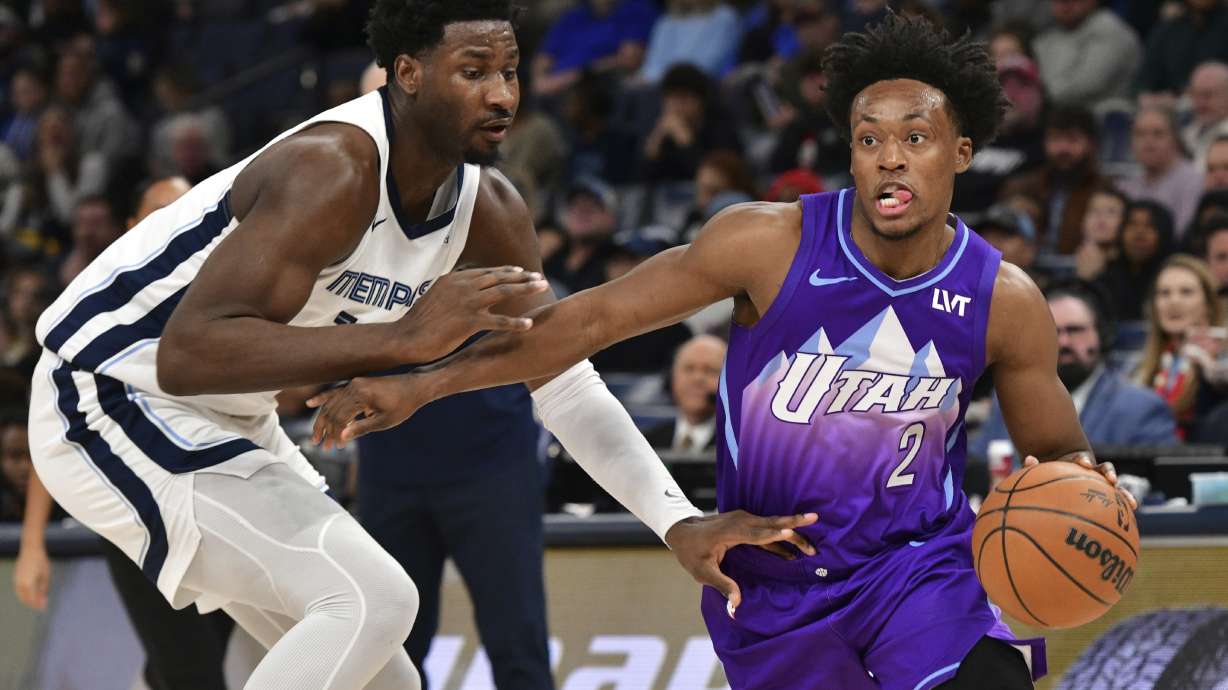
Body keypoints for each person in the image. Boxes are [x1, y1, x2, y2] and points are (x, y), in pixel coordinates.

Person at [309, 16, 1135, 690]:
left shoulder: (1003, 300)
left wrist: (1087, 494)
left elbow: (1058, 453)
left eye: (915, 137)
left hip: (915, 572)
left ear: (961, 152)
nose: (890, 157)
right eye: (868, 138)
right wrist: (424, 384)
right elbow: (584, 325)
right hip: (770, 582)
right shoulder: (765, 244)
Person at [25, 4, 804, 689]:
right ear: (408, 73)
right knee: (375, 599)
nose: (502, 95)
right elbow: (187, 353)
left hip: (226, 415)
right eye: (474, 70)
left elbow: (564, 383)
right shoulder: (331, 167)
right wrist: (402, 338)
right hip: (107, 389)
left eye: (510, 71)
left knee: (385, 674)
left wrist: (675, 521)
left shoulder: (490, 209)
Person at [16, 176, 239, 690]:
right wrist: (32, 544)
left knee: (188, 663)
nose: (176, 221)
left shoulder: (228, 296)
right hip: (136, 514)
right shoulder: (99, 304)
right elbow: (57, 426)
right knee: (193, 674)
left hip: (216, 505)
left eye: (187, 210)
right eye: (161, 211)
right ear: (134, 226)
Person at [971, 280, 1178, 460]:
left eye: (1075, 330)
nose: (1063, 342)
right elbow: (978, 468)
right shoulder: (1008, 399)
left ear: (1102, 335)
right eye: (1052, 331)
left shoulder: (1141, 408)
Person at [1134, 254, 1228, 438]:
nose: (1173, 301)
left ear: (1208, 305)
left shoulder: (1220, 361)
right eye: (1164, 293)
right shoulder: (1141, 369)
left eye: (1186, 292)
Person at [1000, 104, 1104, 254]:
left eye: (1072, 139)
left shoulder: (1104, 191)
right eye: (1055, 139)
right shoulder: (1021, 188)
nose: (1063, 148)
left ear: (1091, 145)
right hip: (1026, 267)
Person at [1031, 0, 1140, 111]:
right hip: (1056, 113)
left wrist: (1036, 93)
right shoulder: (1047, 36)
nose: (1064, 3)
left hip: (1101, 115)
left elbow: (1083, 86)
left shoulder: (1111, 32)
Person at [1118, 104, 1204, 233]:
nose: (1148, 142)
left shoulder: (1194, 182)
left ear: (1175, 139)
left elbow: (1182, 234)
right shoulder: (1125, 187)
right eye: (1140, 134)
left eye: (1158, 134)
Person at [645, 334, 726, 453]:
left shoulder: (743, 447)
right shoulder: (647, 443)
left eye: (710, 370)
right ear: (671, 377)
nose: (697, 378)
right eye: (689, 369)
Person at [1096, 200, 1176, 320]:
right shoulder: (1107, 279)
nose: (1139, 233)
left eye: (1150, 226)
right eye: (1132, 224)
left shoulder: (1173, 280)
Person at [1074, 186, 1128, 281]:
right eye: (1094, 210)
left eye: (1111, 212)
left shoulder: (1132, 270)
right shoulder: (1061, 267)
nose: (1101, 217)